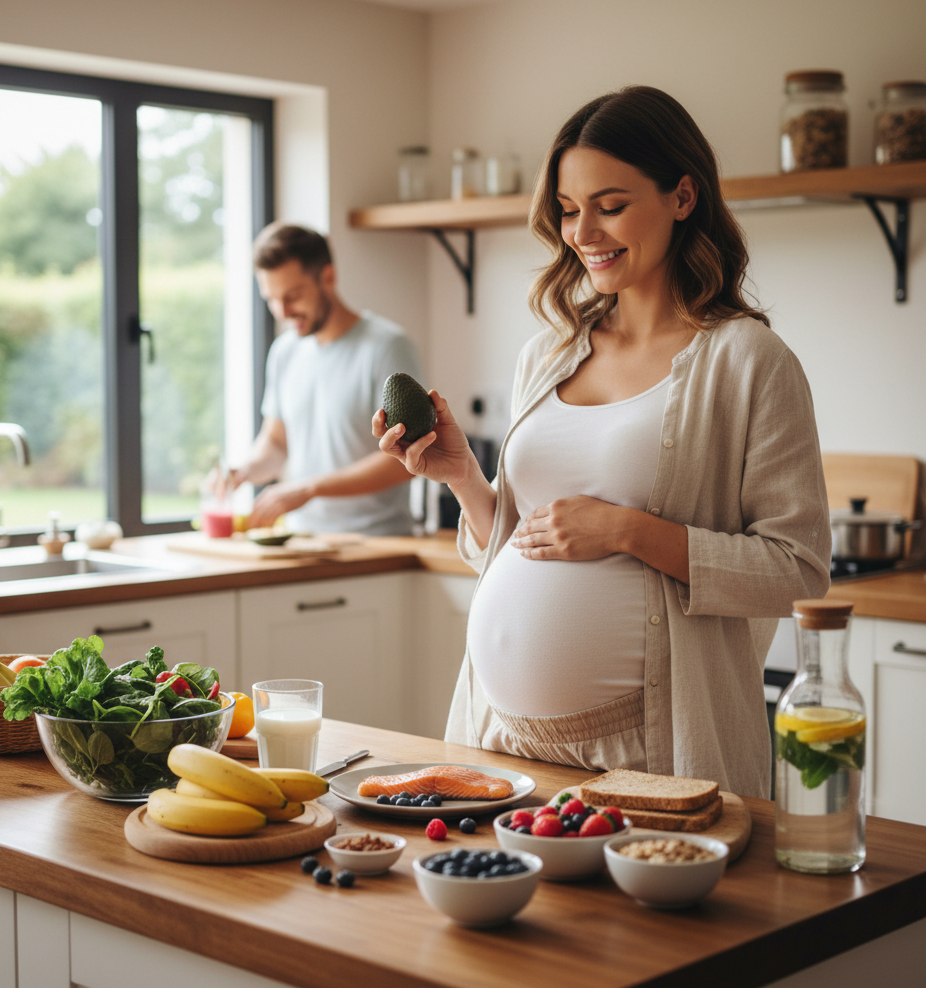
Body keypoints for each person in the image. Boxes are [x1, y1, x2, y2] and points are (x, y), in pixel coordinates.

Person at [374, 87, 831, 798]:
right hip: (500, 740)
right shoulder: (548, 353)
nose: (582, 232)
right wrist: (465, 478)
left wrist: (627, 531)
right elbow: (523, 543)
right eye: (566, 209)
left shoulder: (747, 360)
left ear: (683, 197)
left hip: (651, 751)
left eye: (609, 205)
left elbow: (798, 570)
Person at [224, 222, 423, 535]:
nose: (282, 312)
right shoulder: (284, 352)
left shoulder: (387, 347)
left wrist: (309, 489)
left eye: (292, 296)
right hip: (303, 539)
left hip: (376, 541)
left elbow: (409, 456)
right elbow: (276, 441)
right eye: (271, 299)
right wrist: (244, 471)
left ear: (328, 277)